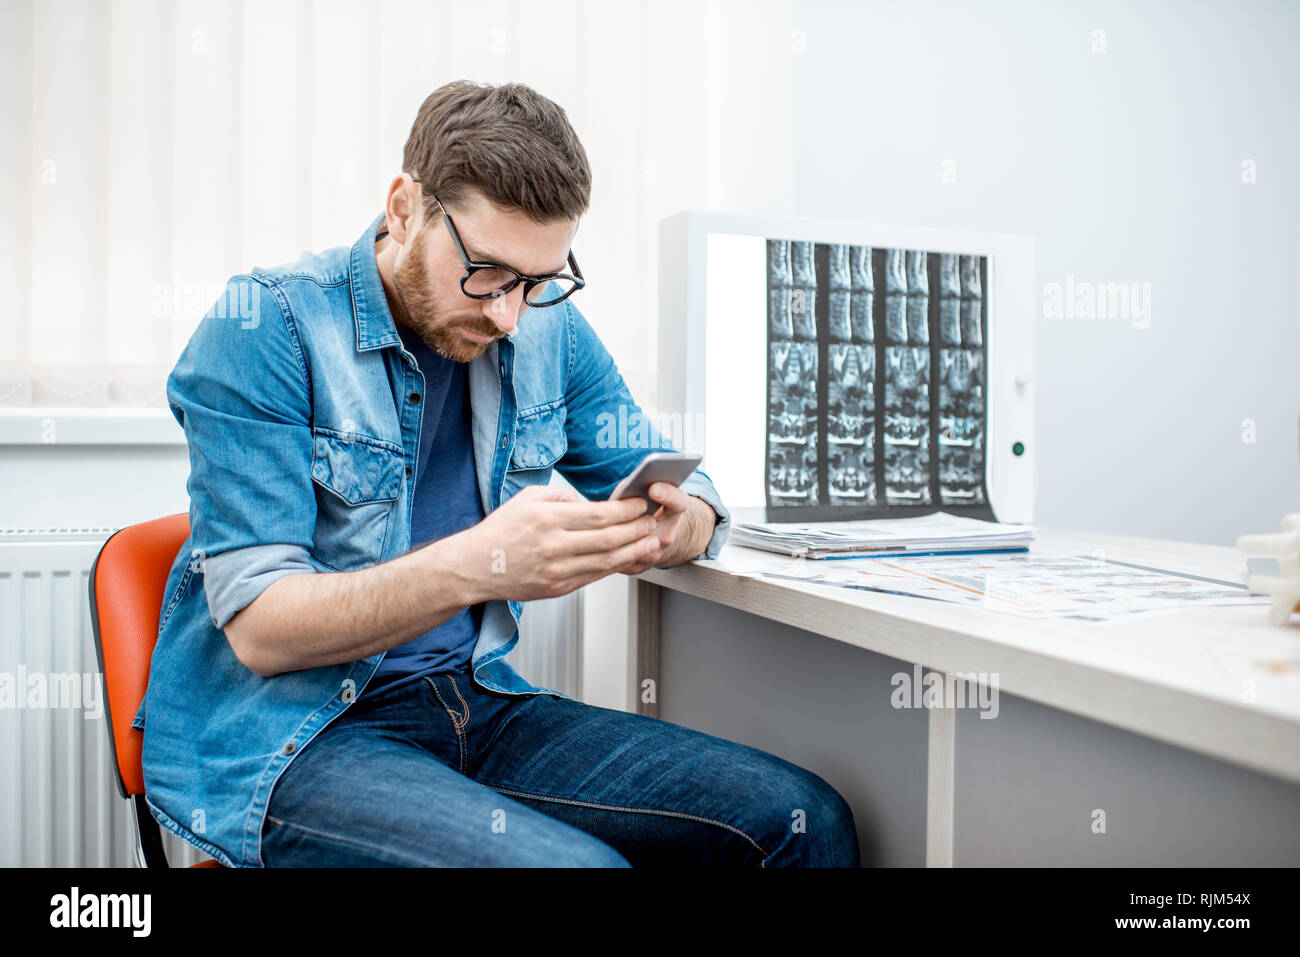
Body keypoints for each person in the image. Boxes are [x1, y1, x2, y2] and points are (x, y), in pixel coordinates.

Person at [134, 79, 859, 868]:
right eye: (486, 272)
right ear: (404, 206)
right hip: (298, 736)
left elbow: (687, 488)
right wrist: (478, 563)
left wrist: (677, 524)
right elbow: (262, 627)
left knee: (801, 819)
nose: (509, 312)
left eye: (538, 281)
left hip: (476, 702)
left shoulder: (546, 326)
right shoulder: (266, 326)